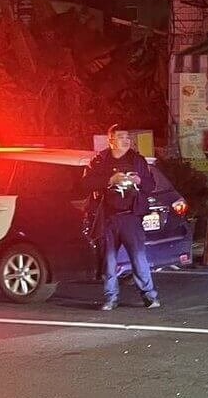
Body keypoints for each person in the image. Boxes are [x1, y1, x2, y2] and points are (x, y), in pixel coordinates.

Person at [83, 125, 160, 310]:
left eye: (128, 137)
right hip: (108, 217)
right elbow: (86, 183)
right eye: (121, 137)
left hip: (131, 217)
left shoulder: (137, 160)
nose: (126, 140)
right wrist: (111, 180)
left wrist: (139, 180)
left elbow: (151, 185)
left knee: (139, 258)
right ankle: (110, 298)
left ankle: (149, 296)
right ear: (111, 140)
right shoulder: (100, 160)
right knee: (109, 261)